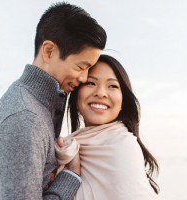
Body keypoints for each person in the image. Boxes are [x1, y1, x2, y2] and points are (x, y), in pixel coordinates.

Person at [0, 2, 106, 200]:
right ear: (49, 51)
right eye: (81, 67)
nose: (84, 78)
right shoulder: (24, 117)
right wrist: (71, 174)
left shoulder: (37, 105)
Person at [55, 54, 159, 199]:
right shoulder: (67, 146)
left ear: (123, 101)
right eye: (91, 83)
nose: (101, 93)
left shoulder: (122, 146)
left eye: (113, 86)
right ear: (76, 96)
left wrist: (72, 173)